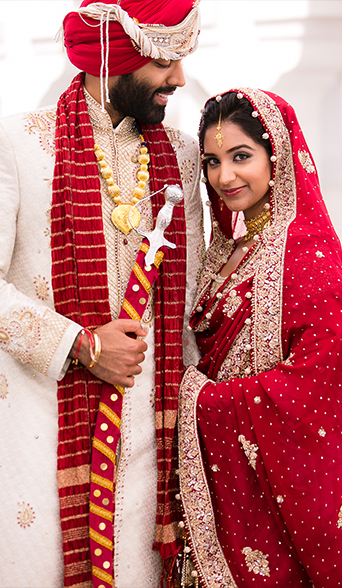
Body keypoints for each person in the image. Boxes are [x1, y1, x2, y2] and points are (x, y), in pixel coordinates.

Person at [0, 1, 202, 586]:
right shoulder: (19, 143)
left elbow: (188, 301)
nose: (179, 78)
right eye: (165, 60)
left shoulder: (183, 155)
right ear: (115, 54)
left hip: (151, 444)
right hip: (42, 432)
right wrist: (82, 345)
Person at [177, 88, 342, 587]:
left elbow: (317, 384)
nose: (224, 176)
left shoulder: (306, 251)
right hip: (221, 484)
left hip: (278, 493)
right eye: (212, 162)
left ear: (277, 155)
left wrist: (197, 398)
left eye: (241, 156)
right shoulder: (227, 251)